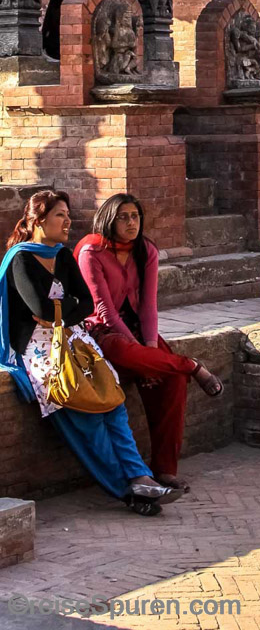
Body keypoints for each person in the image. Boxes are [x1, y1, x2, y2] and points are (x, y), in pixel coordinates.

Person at [0, 191, 177, 516]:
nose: (68, 222)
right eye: (60, 216)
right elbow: (40, 309)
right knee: (86, 419)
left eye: (67, 215)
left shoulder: (62, 256)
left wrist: (58, 310)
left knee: (112, 403)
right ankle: (129, 492)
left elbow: (84, 306)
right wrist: (63, 308)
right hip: (41, 349)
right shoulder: (21, 260)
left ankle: (141, 476)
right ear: (37, 221)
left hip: (76, 339)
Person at [75, 194, 223, 493]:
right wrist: (140, 352)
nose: (131, 223)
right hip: (101, 333)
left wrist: (150, 350)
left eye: (135, 216)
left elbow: (148, 307)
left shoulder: (146, 250)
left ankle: (165, 470)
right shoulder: (91, 251)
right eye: (123, 217)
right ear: (109, 219)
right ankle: (194, 365)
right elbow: (104, 310)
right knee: (139, 355)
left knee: (173, 381)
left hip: (138, 333)